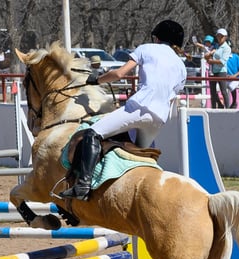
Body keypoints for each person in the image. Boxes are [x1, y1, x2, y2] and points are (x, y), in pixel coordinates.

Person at [60, 19, 187, 201]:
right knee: (139, 156)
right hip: (159, 119)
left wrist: (97, 80)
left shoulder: (146, 48)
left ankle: (83, 185)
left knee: (92, 134)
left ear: (158, 38)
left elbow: (119, 74)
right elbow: (170, 93)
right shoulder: (181, 66)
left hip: (139, 108)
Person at [205, 28, 231, 108]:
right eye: (218, 36)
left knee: (223, 91)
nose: (219, 38)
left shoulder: (227, 48)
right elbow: (207, 57)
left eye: (221, 36)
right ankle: (214, 107)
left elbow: (222, 61)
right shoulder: (216, 46)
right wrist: (208, 56)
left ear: (225, 37)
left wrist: (211, 61)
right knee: (212, 92)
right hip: (213, 71)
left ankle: (228, 109)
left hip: (221, 71)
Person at [226, 43, 239, 109]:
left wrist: (234, 76)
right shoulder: (222, 58)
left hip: (235, 78)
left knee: (231, 86)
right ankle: (220, 103)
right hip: (224, 78)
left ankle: (234, 102)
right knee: (217, 88)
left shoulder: (236, 57)